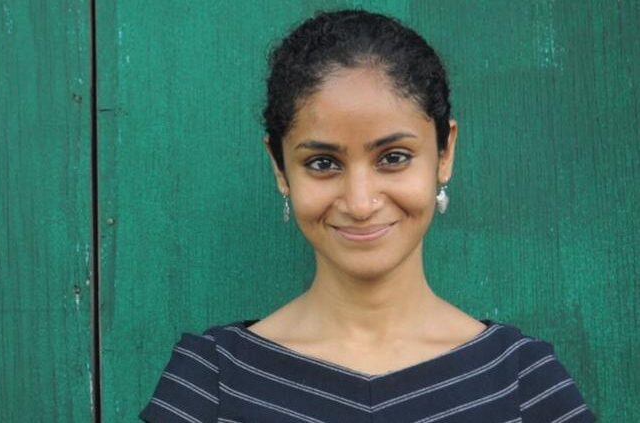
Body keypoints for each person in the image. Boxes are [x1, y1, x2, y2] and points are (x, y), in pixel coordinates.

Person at [140, 9, 594, 422]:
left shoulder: (522, 382)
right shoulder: (210, 383)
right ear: (280, 167)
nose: (359, 203)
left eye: (393, 157)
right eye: (323, 163)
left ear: (444, 152)